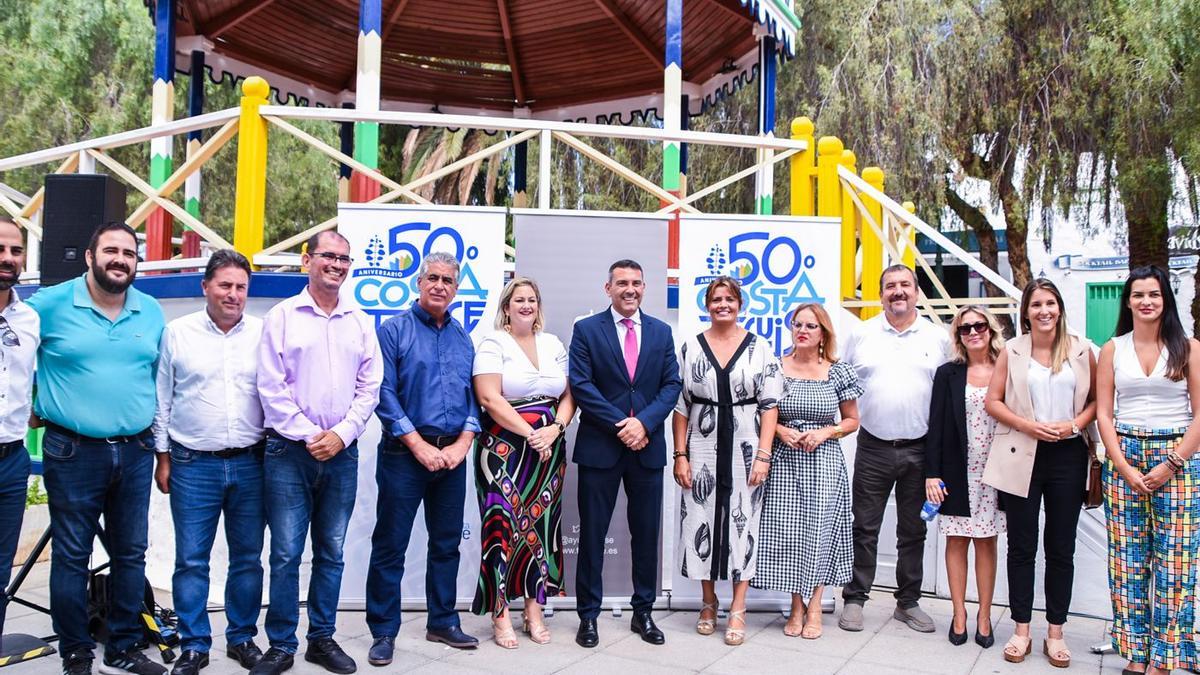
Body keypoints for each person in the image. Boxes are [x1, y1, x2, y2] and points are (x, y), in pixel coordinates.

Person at [27, 222, 166, 675]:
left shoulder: (149, 311)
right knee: (71, 553)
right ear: (90, 256)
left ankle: (124, 645)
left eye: (129, 253)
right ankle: (77, 651)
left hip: (135, 450)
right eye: (111, 250)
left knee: (131, 552)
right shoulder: (48, 305)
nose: (120, 260)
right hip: (73, 451)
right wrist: (28, 403)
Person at [255, 231, 382, 675]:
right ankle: (282, 645)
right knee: (287, 553)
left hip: (342, 454)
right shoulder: (282, 316)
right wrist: (313, 435)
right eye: (329, 256)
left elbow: (370, 386)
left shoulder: (360, 321)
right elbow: (271, 387)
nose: (337, 264)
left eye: (345, 258)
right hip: (289, 453)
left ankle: (321, 639)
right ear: (307, 259)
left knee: (331, 550)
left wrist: (342, 434)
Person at [152, 250, 266, 674]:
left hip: (252, 463)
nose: (233, 294)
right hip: (191, 464)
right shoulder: (176, 333)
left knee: (248, 557)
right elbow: (162, 400)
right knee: (192, 560)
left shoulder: (263, 332)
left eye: (240, 287)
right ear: (205, 286)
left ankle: (241, 638)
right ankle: (195, 643)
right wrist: (162, 457)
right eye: (224, 285)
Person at [366, 250, 481, 666]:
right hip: (404, 454)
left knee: (447, 542)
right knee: (390, 545)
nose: (439, 286)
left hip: (452, 455)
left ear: (456, 288)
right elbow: (384, 393)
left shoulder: (463, 337)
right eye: (432, 278)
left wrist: (461, 445)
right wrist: (418, 444)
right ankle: (383, 631)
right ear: (419, 283)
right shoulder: (393, 331)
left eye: (447, 281)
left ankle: (443, 621)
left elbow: (476, 396)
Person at [982, 277, 1096, 668]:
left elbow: (1098, 401)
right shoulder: (1012, 350)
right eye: (1036, 305)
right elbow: (992, 402)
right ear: (1026, 312)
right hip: (1022, 453)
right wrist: (1027, 425)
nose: (1044, 311)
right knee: (1022, 547)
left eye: (1050, 303)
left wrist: (1076, 424)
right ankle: (1021, 629)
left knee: (1061, 547)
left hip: (1067, 455)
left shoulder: (1081, 349)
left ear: (1060, 308)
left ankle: (1056, 632)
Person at [569, 259, 682, 649]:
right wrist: (624, 425)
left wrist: (644, 424)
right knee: (593, 535)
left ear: (644, 287)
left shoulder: (661, 332)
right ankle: (588, 616)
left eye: (636, 283)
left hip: (647, 450)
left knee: (646, 534)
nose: (629, 289)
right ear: (608, 288)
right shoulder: (586, 330)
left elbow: (671, 386)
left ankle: (643, 613)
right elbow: (582, 386)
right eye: (622, 283)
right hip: (601, 447)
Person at [1096, 266, 1200, 675]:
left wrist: (1171, 463)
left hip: (1178, 459)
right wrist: (1121, 464)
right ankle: (1136, 654)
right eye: (1138, 294)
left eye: (1154, 294)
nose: (1146, 301)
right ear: (1128, 301)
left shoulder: (1188, 348)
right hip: (1125, 458)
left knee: (1175, 563)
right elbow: (1104, 413)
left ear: (1165, 299)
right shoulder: (1112, 349)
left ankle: (1166, 658)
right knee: (1127, 561)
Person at [839, 264, 949, 634]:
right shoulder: (862, 334)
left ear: (917, 293)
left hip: (921, 450)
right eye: (890, 286)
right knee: (865, 527)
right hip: (872, 446)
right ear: (881, 293)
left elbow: (949, 394)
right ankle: (855, 598)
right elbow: (839, 381)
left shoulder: (938, 338)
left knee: (913, 529)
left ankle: (908, 602)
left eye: (905, 285)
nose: (897, 291)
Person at [672, 277, 782, 646]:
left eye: (729, 299)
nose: (723, 304)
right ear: (707, 304)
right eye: (716, 299)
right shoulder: (691, 347)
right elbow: (681, 406)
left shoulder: (759, 348)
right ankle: (708, 601)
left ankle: (738, 607)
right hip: (701, 446)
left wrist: (763, 455)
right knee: (700, 519)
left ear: (740, 304)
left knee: (743, 525)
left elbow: (770, 405)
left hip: (746, 447)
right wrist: (680, 455)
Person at [471, 277, 576, 648]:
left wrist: (556, 429)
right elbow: (489, 397)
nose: (526, 305)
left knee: (541, 529)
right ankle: (499, 614)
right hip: (503, 451)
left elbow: (569, 395)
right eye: (519, 300)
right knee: (501, 528)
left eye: (532, 299)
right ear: (506, 307)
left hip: (549, 451)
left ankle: (534, 610)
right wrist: (531, 435)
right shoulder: (492, 342)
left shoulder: (553, 343)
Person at [750, 302, 859, 640]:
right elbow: (760, 412)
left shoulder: (839, 371)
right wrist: (782, 432)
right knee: (789, 533)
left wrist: (825, 432)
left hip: (825, 461)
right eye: (797, 324)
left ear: (823, 332)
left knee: (821, 533)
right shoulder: (776, 367)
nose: (802, 330)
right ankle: (795, 603)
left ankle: (815, 605)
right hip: (784, 461)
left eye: (811, 326)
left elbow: (852, 421)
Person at [924, 305, 1006, 649]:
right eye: (965, 328)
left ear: (991, 330)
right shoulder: (948, 373)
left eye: (979, 326)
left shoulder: (1008, 367)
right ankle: (959, 614)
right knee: (956, 541)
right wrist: (931, 474)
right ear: (958, 335)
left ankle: (984, 615)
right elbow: (936, 426)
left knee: (986, 542)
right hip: (957, 470)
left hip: (996, 471)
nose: (973, 332)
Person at [0, 219, 38, 657]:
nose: (8, 258)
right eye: (1, 249)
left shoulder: (29, 319)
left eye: (16, 250)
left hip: (11, 460)